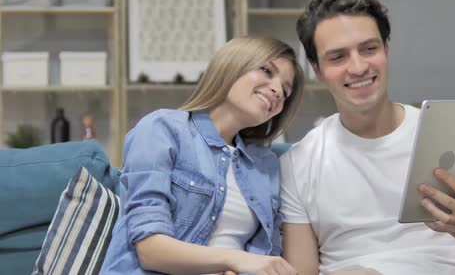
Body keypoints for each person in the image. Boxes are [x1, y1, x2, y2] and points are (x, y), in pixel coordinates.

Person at [279, 0, 455, 275]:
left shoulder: (454, 137)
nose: (358, 67)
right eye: (338, 57)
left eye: (369, 49)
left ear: (386, 50)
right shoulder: (298, 163)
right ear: (317, 69)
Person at [100, 37, 303, 275]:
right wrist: (235, 260)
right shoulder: (162, 129)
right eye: (267, 70)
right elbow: (150, 249)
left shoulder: (265, 164)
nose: (277, 91)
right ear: (230, 66)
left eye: (285, 91)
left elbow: (264, 258)